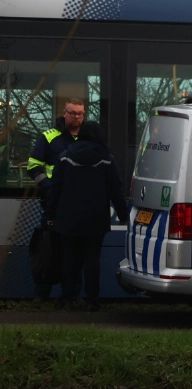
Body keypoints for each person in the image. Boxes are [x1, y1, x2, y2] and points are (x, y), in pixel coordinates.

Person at [44, 121, 128, 311]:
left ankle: (68, 297)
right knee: (92, 259)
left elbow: (55, 188)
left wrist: (50, 213)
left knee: (69, 259)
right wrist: (123, 214)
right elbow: (116, 190)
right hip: (95, 218)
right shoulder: (107, 158)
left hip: (67, 217)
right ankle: (92, 299)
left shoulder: (65, 156)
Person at [25, 99, 86, 302]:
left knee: (75, 253)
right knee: (48, 249)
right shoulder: (49, 137)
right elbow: (33, 165)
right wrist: (49, 188)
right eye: (73, 113)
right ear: (64, 113)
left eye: (80, 113)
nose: (77, 117)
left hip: (78, 206)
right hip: (53, 205)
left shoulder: (89, 138)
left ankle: (71, 295)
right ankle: (41, 294)